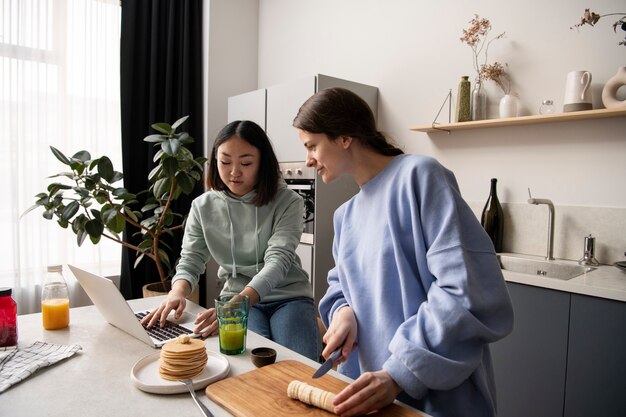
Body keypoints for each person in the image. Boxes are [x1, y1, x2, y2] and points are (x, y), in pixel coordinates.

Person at [293, 87, 514, 417]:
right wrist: (344, 312)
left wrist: (399, 373)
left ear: (344, 138)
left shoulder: (421, 177)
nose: (308, 159)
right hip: (371, 396)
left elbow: (462, 291)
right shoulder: (345, 215)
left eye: (312, 145)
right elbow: (342, 287)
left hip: (438, 398)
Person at [142, 120, 320, 361]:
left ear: (262, 164)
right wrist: (177, 291)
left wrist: (237, 305)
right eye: (225, 161)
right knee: (245, 363)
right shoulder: (202, 207)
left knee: (300, 365)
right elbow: (191, 259)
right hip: (235, 297)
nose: (234, 172)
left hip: (287, 296)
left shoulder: (288, 202)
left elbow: (278, 261)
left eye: (246, 163)